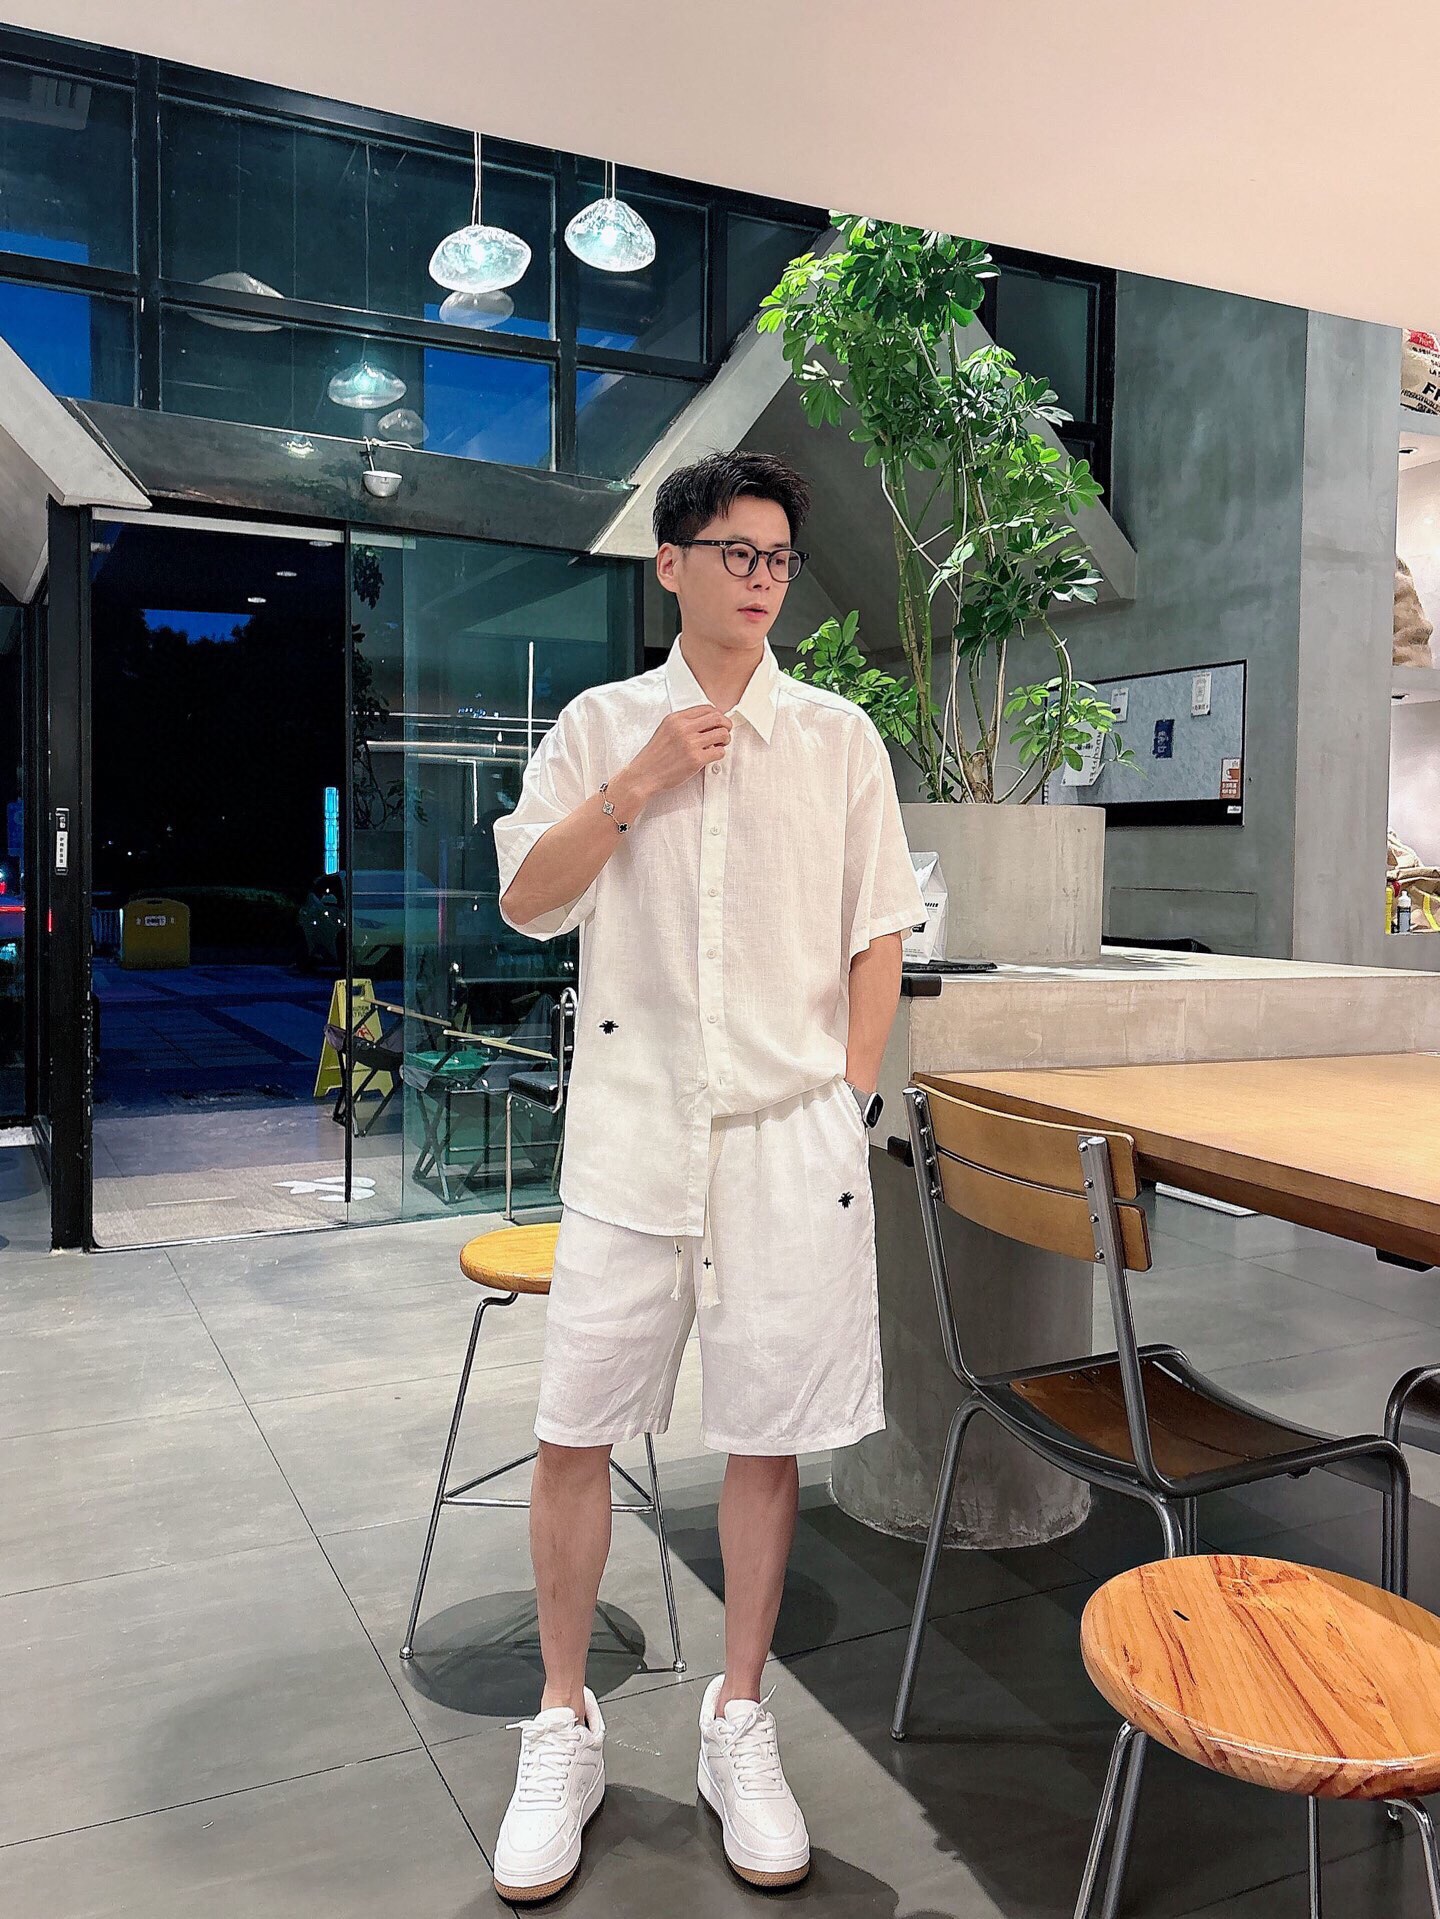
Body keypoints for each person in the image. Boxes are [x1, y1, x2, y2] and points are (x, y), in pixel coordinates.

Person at [489, 448, 927, 1902]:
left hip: (788, 1138)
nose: (763, 579)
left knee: (765, 1436)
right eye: (737, 552)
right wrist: (642, 781)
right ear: (670, 563)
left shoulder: (838, 738)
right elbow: (528, 900)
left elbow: (878, 927)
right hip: (631, 1135)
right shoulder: (601, 725)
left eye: (779, 557)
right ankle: (565, 1723)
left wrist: (848, 1092)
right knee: (575, 1427)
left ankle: (739, 1719)